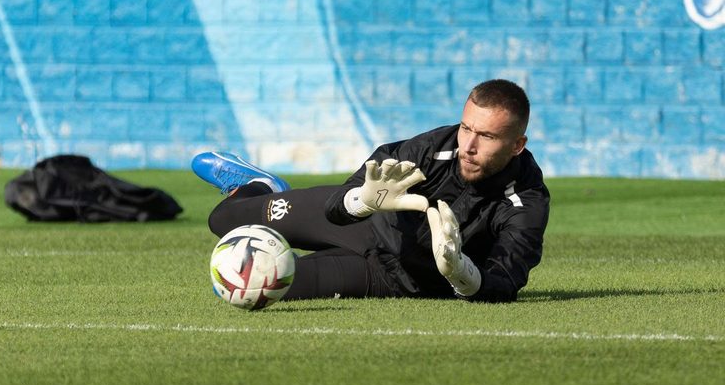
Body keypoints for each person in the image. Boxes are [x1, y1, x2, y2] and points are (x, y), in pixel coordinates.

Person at [192, 79, 550, 303]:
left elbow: (505, 282)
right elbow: (340, 202)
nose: (468, 145)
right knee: (221, 220)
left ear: (517, 144)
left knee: (248, 284)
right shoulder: (436, 148)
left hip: (391, 278)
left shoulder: (526, 203)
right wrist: (361, 199)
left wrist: (461, 273)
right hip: (364, 223)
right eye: (466, 127)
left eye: (486, 136)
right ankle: (263, 186)